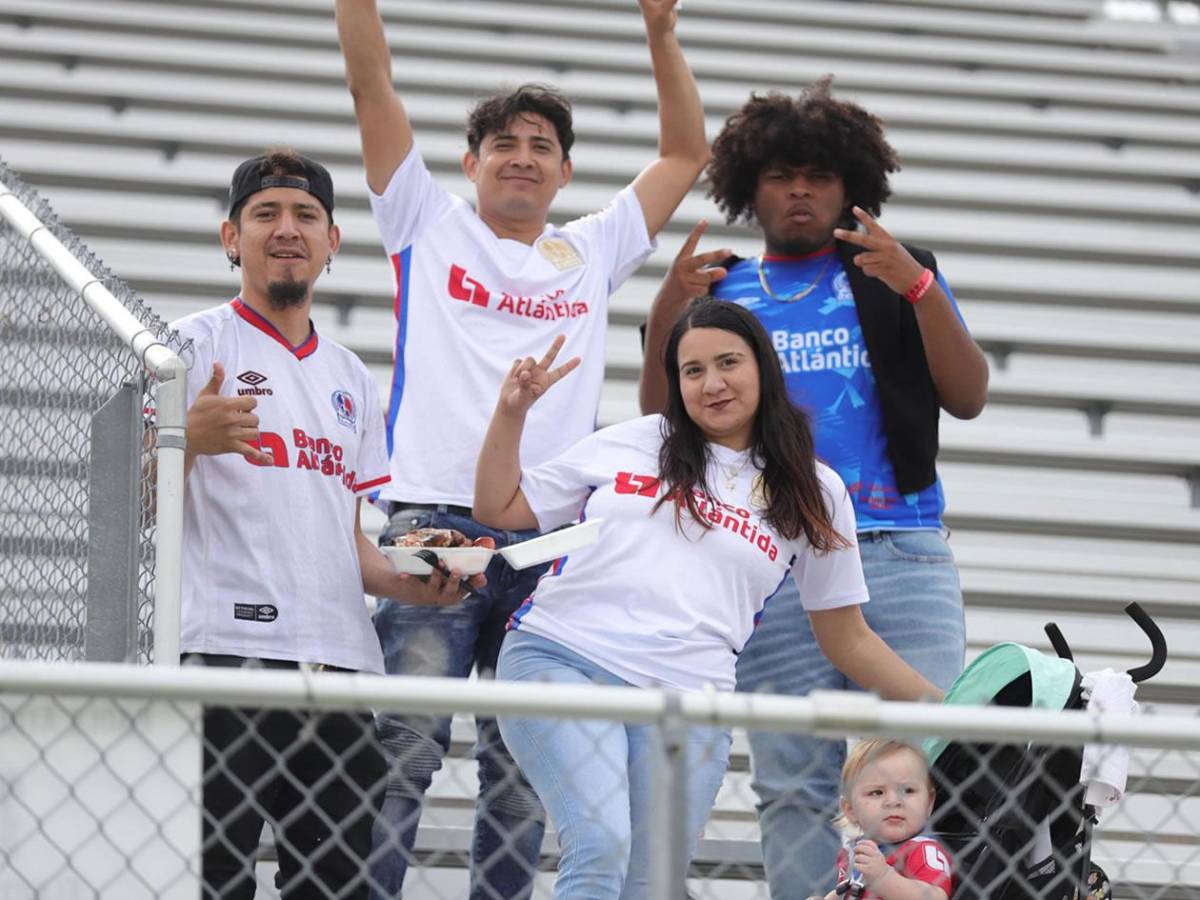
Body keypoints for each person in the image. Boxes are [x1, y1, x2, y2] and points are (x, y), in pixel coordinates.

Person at [335, 1, 709, 896]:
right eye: (504, 142)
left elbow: (685, 155)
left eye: (542, 145)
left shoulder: (591, 251)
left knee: (523, 774)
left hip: (544, 541)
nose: (523, 157)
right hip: (430, 523)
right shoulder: (424, 221)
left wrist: (661, 33)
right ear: (470, 163)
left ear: (566, 170)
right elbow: (369, 85)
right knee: (403, 751)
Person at [639, 80, 989, 896]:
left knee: (920, 770)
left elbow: (968, 396)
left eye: (821, 176)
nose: (801, 190)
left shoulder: (894, 272)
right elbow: (659, 415)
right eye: (782, 175)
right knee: (790, 782)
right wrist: (667, 305)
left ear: (851, 186)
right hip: (772, 561)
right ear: (747, 186)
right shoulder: (718, 287)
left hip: (900, 547)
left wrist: (919, 290)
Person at [473, 299, 942, 899]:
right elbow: (499, 508)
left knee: (651, 886)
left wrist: (951, 709)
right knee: (601, 843)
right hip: (562, 658)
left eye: (728, 362)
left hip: (690, 704)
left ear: (763, 368)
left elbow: (847, 637)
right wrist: (512, 414)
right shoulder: (638, 441)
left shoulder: (814, 490)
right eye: (692, 371)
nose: (711, 383)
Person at [176, 149, 477, 899]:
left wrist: (416, 582)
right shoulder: (186, 345)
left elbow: (346, 541)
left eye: (306, 215)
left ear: (333, 242)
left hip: (341, 672)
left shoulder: (350, 375)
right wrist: (188, 440)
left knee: (335, 887)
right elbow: (129, 498)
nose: (287, 229)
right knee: (214, 881)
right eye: (266, 214)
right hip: (227, 656)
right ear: (230, 237)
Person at [812, 740, 954, 900]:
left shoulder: (923, 849)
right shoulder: (854, 851)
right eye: (877, 792)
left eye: (908, 790)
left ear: (929, 803)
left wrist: (884, 878)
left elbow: (936, 897)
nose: (894, 801)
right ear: (850, 809)